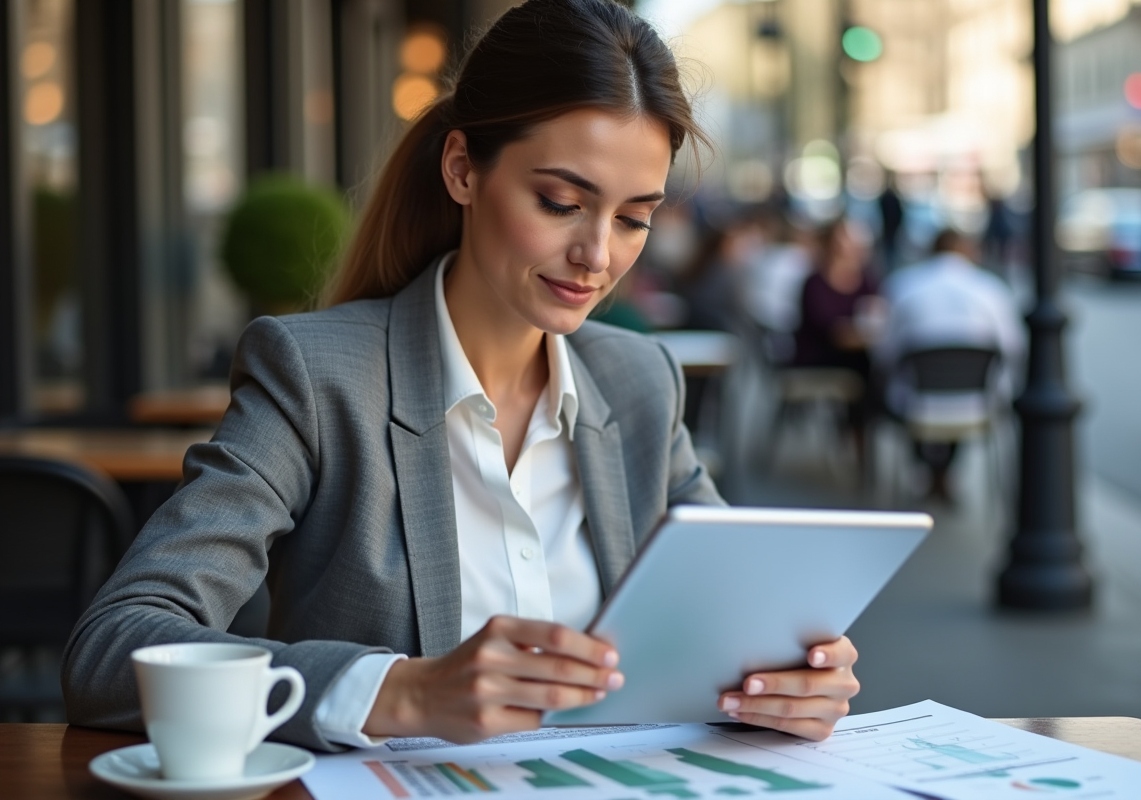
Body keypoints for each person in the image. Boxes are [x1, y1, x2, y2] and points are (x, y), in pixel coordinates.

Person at [62, 0, 859, 753]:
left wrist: (787, 680)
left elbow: (733, 622)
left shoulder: (640, 380)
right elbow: (114, 646)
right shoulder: (319, 377)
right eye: (560, 202)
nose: (598, 255)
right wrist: (404, 692)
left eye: (633, 218)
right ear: (462, 170)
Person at [875, 229, 1025, 501]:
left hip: (916, 402)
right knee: (957, 392)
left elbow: (885, 351)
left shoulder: (903, 284)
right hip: (975, 402)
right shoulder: (990, 288)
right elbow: (1012, 346)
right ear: (970, 252)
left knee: (914, 390)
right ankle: (941, 475)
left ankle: (932, 472)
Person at [792, 218, 882, 457]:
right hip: (818, 359)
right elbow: (826, 329)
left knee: (871, 369)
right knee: (864, 371)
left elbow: (876, 314)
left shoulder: (867, 280)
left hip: (854, 355)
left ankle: (859, 433)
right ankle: (858, 439)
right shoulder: (815, 282)